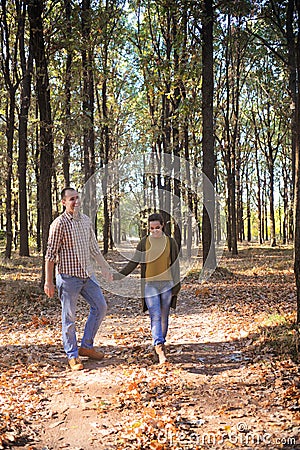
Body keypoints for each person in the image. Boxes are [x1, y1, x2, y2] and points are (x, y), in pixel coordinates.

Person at [44, 187, 111, 371]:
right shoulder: (59, 224)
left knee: (101, 306)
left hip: (87, 275)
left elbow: (94, 249)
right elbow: (50, 255)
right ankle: (72, 355)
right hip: (68, 278)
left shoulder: (86, 221)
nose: (76, 202)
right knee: (69, 317)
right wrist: (48, 281)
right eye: (71, 199)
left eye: (77, 198)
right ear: (64, 202)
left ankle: (86, 346)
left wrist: (105, 267)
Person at [114, 213, 181, 364]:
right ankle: (159, 346)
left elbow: (176, 265)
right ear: (148, 228)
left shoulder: (170, 242)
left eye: (157, 227)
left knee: (164, 316)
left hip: (167, 284)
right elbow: (134, 263)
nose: (155, 230)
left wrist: (177, 286)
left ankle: (161, 341)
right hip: (150, 285)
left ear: (163, 226)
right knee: (155, 315)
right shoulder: (144, 243)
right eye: (152, 228)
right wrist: (118, 275)